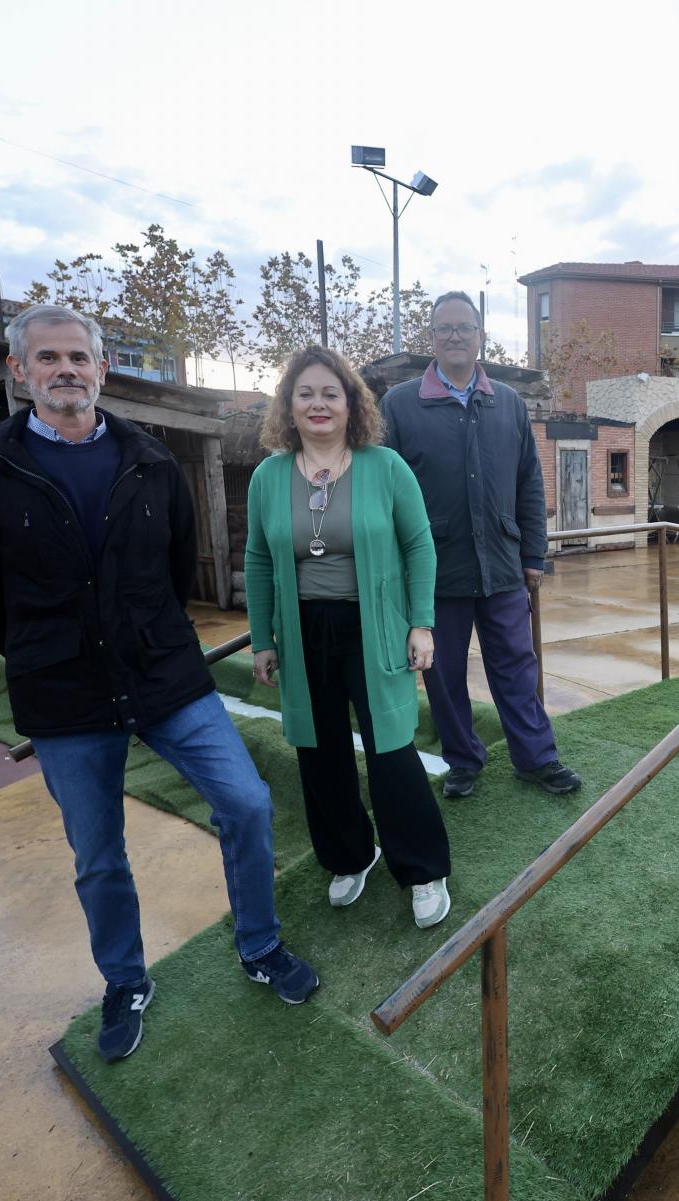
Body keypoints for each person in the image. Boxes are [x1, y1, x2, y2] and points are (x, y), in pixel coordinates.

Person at [0, 304, 318, 1065]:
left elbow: (178, 564)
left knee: (245, 802)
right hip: (65, 697)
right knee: (99, 853)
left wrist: (145, 632)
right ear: (21, 371)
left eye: (78, 356)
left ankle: (259, 943)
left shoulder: (148, 459)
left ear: (101, 367)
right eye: (47, 358)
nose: (65, 370)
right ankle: (125, 980)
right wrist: (38, 648)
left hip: (165, 678)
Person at [244, 346, 452, 929]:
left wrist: (421, 621)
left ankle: (423, 868)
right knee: (319, 750)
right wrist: (263, 637)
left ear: (351, 404)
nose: (317, 404)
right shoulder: (268, 476)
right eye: (305, 393)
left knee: (390, 750)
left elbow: (419, 545)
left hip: (375, 626)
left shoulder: (385, 467)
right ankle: (349, 855)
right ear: (288, 405)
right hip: (303, 628)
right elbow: (259, 559)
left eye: (330, 394)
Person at [381, 291, 582, 800]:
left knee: (516, 665)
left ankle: (536, 759)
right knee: (444, 675)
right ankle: (464, 761)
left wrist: (533, 553)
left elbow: (529, 483)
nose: (454, 336)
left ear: (479, 336)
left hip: (502, 564)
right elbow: (383, 494)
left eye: (463, 328)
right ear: (432, 337)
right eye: (444, 328)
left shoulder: (508, 403)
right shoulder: (402, 405)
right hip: (436, 570)